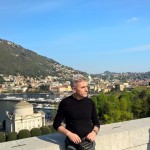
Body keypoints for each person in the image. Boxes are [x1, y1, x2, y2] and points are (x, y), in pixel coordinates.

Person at [53, 74, 100, 150]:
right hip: (72, 146)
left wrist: (94, 132)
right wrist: (69, 134)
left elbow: (96, 123)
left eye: (87, 86)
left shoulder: (90, 103)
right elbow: (56, 124)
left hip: (89, 144)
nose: (87, 90)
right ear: (74, 89)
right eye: (83, 87)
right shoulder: (65, 103)